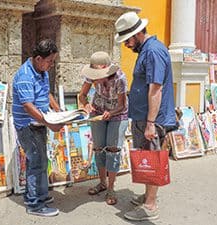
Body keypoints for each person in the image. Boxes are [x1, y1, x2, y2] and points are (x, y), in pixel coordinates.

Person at [114, 12, 176, 221]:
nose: (126, 45)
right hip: (144, 117)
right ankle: (148, 195)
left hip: (153, 119)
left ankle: (150, 205)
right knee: (147, 157)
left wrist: (150, 123)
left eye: (127, 40)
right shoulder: (146, 50)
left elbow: (155, 89)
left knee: (152, 158)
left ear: (138, 33)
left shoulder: (154, 51)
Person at [12, 39, 64, 217]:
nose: (51, 65)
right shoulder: (25, 75)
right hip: (28, 126)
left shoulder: (41, 71)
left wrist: (58, 110)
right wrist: (50, 123)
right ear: (39, 58)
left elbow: (45, 93)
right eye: (49, 61)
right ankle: (35, 204)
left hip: (39, 123)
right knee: (37, 162)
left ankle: (35, 195)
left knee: (40, 161)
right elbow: (28, 106)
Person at [79, 51, 129, 205]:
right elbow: (82, 95)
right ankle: (102, 183)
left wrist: (111, 113)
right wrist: (86, 105)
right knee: (99, 148)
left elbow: (121, 105)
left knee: (113, 149)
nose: (95, 78)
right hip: (98, 111)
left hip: (118, 114)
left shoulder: (119, 78)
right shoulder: (91, 75)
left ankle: (111, 188)